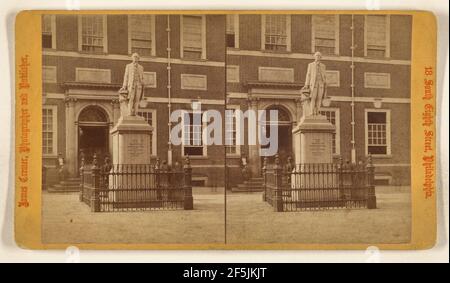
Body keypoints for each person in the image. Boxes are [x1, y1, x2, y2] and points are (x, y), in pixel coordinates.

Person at [303, 51, 327, 115]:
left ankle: (317, 112)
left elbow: (324, 76)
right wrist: (306, 84)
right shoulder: (311, 65)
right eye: (317, 55)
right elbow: (308, 75)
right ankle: (311, 112)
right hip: (313, 84)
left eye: (319, 56)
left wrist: (325, 83)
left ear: (321, 57)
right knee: (313, 98)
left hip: (321, 84)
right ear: (314, 57)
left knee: (319, 98)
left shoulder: (323, 66)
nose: (318, 57)